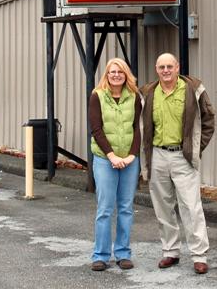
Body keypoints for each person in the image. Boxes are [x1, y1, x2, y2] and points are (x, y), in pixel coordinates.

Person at [140, 53, 215, 275]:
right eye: (162, 67)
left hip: (183, 157)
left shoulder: (193, 89)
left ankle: (199, 255)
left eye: (169, 66)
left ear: (177, 67)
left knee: (191, 207)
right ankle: (170, 252)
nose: (166, 70)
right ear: (156, 68)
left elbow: (209, 119)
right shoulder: (148, 93)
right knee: (163, 207)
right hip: (158, 155)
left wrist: (195, 148)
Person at [89, 57, 141, 271]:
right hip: (104, 159)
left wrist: (131, 155)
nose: (116, 75)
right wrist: (111, 155)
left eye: (120, 72)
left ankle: (123, 253)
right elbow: (96, 129)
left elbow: (138, 127)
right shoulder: (97, 96)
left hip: (129, 160)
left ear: (126, 74)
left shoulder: (134, 96)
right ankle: (100, 255)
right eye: (112, 72)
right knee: (105, 208)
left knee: (126, 208)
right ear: (107, 75)